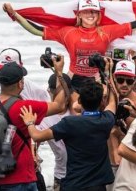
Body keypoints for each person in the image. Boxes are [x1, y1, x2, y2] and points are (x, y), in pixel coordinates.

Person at [2, 0, 136, 92]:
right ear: (78, 15)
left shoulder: (106, 31)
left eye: (94, 12)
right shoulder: (67, 32)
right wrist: (15, 15)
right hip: (72, 77)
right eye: (86, 11)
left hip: (97, 79)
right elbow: (36, 30)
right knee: (62, 109)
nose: (90, 15)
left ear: (98, 15)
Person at [20, 59, 117, 191]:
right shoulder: (106, 120)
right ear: (101, 102)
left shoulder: (69, 123)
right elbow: (112, 101)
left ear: (80, 100)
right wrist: (108, 73)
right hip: (98, 186)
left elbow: (36, 136)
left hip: (74, 184)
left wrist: (30, 122)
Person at [0, 59, 68, 190]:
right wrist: (59, 73)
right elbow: (59, 105)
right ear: (20, 83)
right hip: (21, 178)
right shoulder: (23, 107)